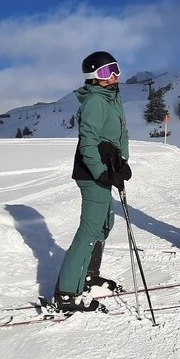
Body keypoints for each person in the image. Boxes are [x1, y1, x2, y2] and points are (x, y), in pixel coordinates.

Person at [52, 51, 131, 312]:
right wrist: (100, 172)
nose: (115, 76)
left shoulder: (111, 98)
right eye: (107, 72)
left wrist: (122, 163)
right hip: (92, 174)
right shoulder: (96, 101)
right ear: (94, 77)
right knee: (89, 229)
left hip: (105, 170)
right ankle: (66, 292)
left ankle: (88, 275)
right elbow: (88, 142)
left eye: (116, 69)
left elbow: (119, 135)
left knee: (103, 224)